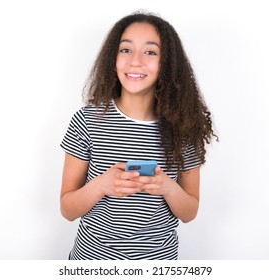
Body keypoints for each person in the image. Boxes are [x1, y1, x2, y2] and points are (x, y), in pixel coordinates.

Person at [60, 11, 217, 260]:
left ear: (167, 64)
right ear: (113, 57)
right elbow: (67, 209)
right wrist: (101, 185)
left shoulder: (184, 127)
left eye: (150, 52)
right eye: (125, 50)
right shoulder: (87, 120)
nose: (135, 61)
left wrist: (167, 187)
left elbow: (189, 212)